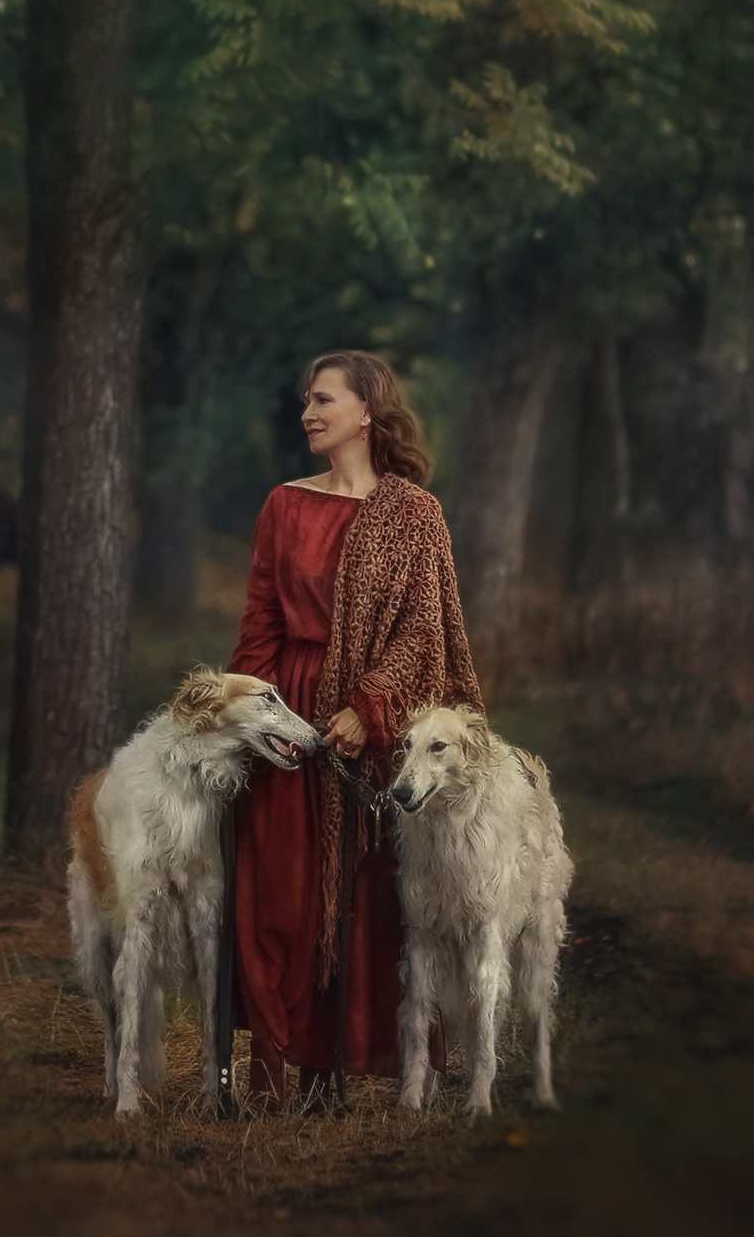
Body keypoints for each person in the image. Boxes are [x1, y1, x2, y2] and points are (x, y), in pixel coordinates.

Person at [227, 349, 483, 1105]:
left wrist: (366, 708)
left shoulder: (414, 514)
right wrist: (254, 719)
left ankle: (332, 1071)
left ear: (368, 410)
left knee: (365, 899)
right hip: (290, 718)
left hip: (376, 734)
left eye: (323, 399)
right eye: (306, 400)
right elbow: (261, 623)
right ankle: (274, 1062)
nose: (308, 411)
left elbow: (421, 631)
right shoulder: (284, 503)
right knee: (281, 891)